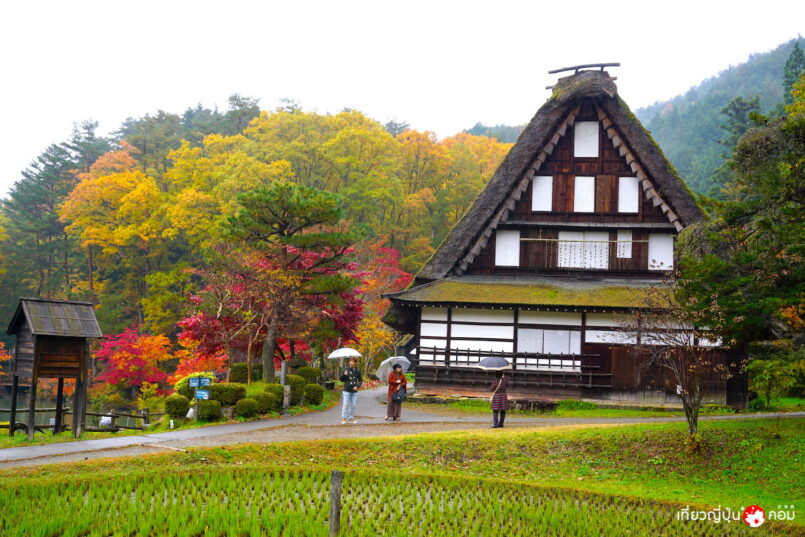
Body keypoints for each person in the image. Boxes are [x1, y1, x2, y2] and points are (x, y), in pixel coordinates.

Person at [339, 357, 363, 424]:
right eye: (350, 361)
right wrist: (344, 375)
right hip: (346, 390)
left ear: (355, 363)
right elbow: (341, 379)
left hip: (354, 391)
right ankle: (343, 418)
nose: (351, 362)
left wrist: (357, 386)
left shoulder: (357, 371)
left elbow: (361, 380)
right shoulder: (346, 370)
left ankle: (351, 418)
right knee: (345, 404)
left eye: (353, 361)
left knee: (353, 405)